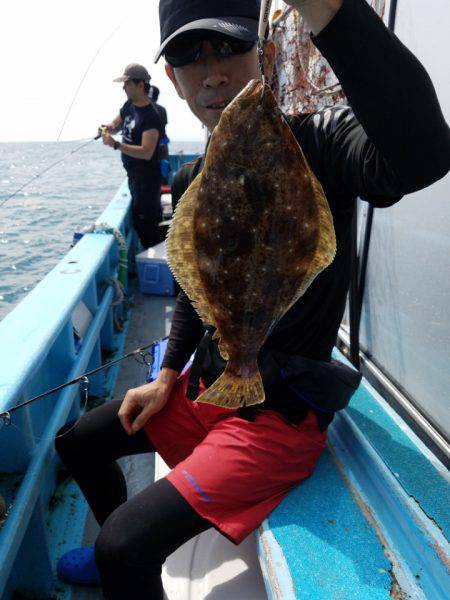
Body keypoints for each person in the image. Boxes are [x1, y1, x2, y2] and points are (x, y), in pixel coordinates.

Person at [55, 1, 450, 598]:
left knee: (122, 550)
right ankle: (117, 524)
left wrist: (330, 12)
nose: (213, 72)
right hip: (210, 386)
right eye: (191, 56)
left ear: (261, 56)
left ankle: (116, 544)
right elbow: (196, 286)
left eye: (229, 48)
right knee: (77, 442)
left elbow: (420, 156)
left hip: (277, 414)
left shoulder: (317, 144)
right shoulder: (192, 181)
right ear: (172, 80)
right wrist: (166, 376)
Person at [102, 63, 163, 249]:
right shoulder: (129, 105)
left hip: (147, 181)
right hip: (133, 177)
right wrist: (108, 128)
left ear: (140, 85)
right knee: (141, 222)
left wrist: (116, 145)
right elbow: (118, 123)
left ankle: (159, 265)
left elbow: (146, 152)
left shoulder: (151, 116)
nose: (123, 87)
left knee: (147, 226)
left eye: (127, 83)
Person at [150, 85, 170, 162]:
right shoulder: (162, 109)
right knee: (163, 170)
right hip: (163, 144)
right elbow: (163, 126)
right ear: (157, 97)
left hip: (150, 146)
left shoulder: (144, 110)